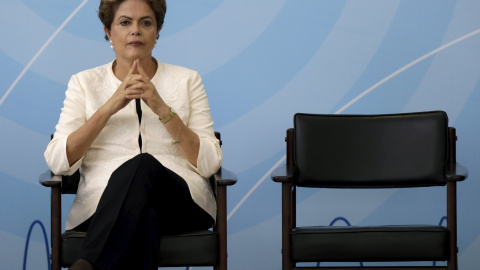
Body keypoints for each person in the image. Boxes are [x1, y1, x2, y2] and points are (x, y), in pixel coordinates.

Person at [44, 0, 222, 269]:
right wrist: (109, 107)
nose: (135, 31)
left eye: (146, 23)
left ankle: (85, 263)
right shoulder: (83, 83)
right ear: (108, 32)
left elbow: (209, 163)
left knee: (143, 164)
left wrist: (161, 107)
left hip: (179, 203)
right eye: (125, 22)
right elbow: (58, 162)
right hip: (100, 206)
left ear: (158, 31)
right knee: (143, 218)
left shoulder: (188, 80)